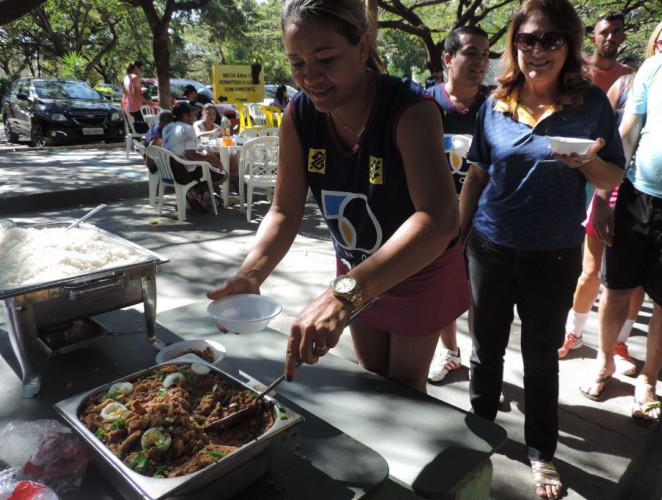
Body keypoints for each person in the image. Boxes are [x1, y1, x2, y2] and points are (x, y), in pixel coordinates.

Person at [208, 0, 469, 393]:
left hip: (415, 266)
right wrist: (251, 273)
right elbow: (284, 210)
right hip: (354, 267)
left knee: (403, 389)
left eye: (325, 58)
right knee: (370, 376)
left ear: (361, 47)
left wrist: (344, 295)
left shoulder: (410, 110)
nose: (310, 77)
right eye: (297, 63)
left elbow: (439, 218)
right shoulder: (299, 114)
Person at [457, 0, 625, 497]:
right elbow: (478, 173)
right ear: (515, 46)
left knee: (540, 358)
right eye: (527, 40)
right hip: (490, 246)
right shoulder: (495, 102)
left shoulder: (591, 103)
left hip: (553, 256)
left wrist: (584, 162)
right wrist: (458, 236)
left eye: (550, 39)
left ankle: (540, 452)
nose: (537, 50)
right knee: (485, 349)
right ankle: (479, 434)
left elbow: (611, 176)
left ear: (569, 45)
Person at [580, 0, 662, 426]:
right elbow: (628, 134)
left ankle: (649, 380)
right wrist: (603, 197)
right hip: (637, 196)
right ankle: (604, 362)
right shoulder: (657, 66)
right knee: (615, 288)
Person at [558, 12, 662, 369]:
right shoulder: (629, 83)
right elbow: (614, 137)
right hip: (614, 187)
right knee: (591, 271)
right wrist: (599, 189)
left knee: (633, 285)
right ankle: (574, 332)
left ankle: (619, 343)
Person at [424, 25, 491, 383]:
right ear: (448, 59)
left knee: (480, 295)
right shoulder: (425, 104)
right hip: (435, 215)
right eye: (472, 53)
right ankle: (449, 352)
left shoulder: (496, 106)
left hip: (484, 218)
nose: (481, 61)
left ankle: (483, 363)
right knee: (440, 289)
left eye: (486, 54)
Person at [162, 102, 228, 212]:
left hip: (168, 170)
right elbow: (191, 155)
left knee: (208, 163)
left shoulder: (167, 127)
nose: (195, 116)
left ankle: (193, 192)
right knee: (224, 174)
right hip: (183, 172)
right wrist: (216, 161)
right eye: (192, 113)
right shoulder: (188, 129)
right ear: (185, 115)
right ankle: (193, 192)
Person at [194, 103, 240, 192]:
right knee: (211, 153)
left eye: (214, 114)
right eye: (208, 113)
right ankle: (226, 180)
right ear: (203, 114)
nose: (211, 116)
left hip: (215, 152)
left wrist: (230, 133)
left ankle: (233, 179)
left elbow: (222, 141)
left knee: (233, 155)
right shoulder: (198, 124)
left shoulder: (217, 127)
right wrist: (212, 132)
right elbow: (197, 135)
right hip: (201, 153)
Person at [584, 11, 633, 92]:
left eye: (616, 32)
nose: (610, 38)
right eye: (604, 33)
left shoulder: (629, 75)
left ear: (623, 38)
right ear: (593, 39)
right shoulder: (576, 69)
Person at [123, 61, 152, 133]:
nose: (142, 72)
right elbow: (135, 93)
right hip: (136, 107)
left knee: (136, 130)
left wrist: (140, 91)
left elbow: (127, 92)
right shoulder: (135, 77)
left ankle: (135, 139)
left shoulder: (126, 77)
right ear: (136, 67)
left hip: (128, 107)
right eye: (141, 70)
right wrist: (148, 102)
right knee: (146, 131)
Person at [144, 110, 174, 174]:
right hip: (157, 169)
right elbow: (149, 162)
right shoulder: (158, 138)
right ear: (160, 124)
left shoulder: (156, 125)